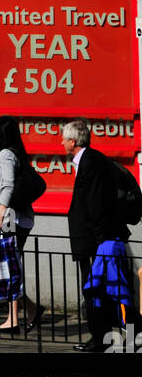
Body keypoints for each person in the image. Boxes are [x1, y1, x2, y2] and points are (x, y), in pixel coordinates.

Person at [61, 118, 132, 353]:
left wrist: (100, 242)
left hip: (95, 241)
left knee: (96, 289)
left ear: (72, 141)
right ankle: (104, 336)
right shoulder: (89, 160)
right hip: (94, 239)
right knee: (101, 288)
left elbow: (96, 204)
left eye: (64, 138)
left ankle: (101, 338)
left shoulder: (90, 162)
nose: (61, 143)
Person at [0, 115, 43, 330]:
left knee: (9, 268)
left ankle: (14, 319)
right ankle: (30, 310)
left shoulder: (5, 154)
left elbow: (8, 186)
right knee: (10, 266)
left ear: (1, 133)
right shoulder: (14, 153)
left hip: (12, 217)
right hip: (19, 216)